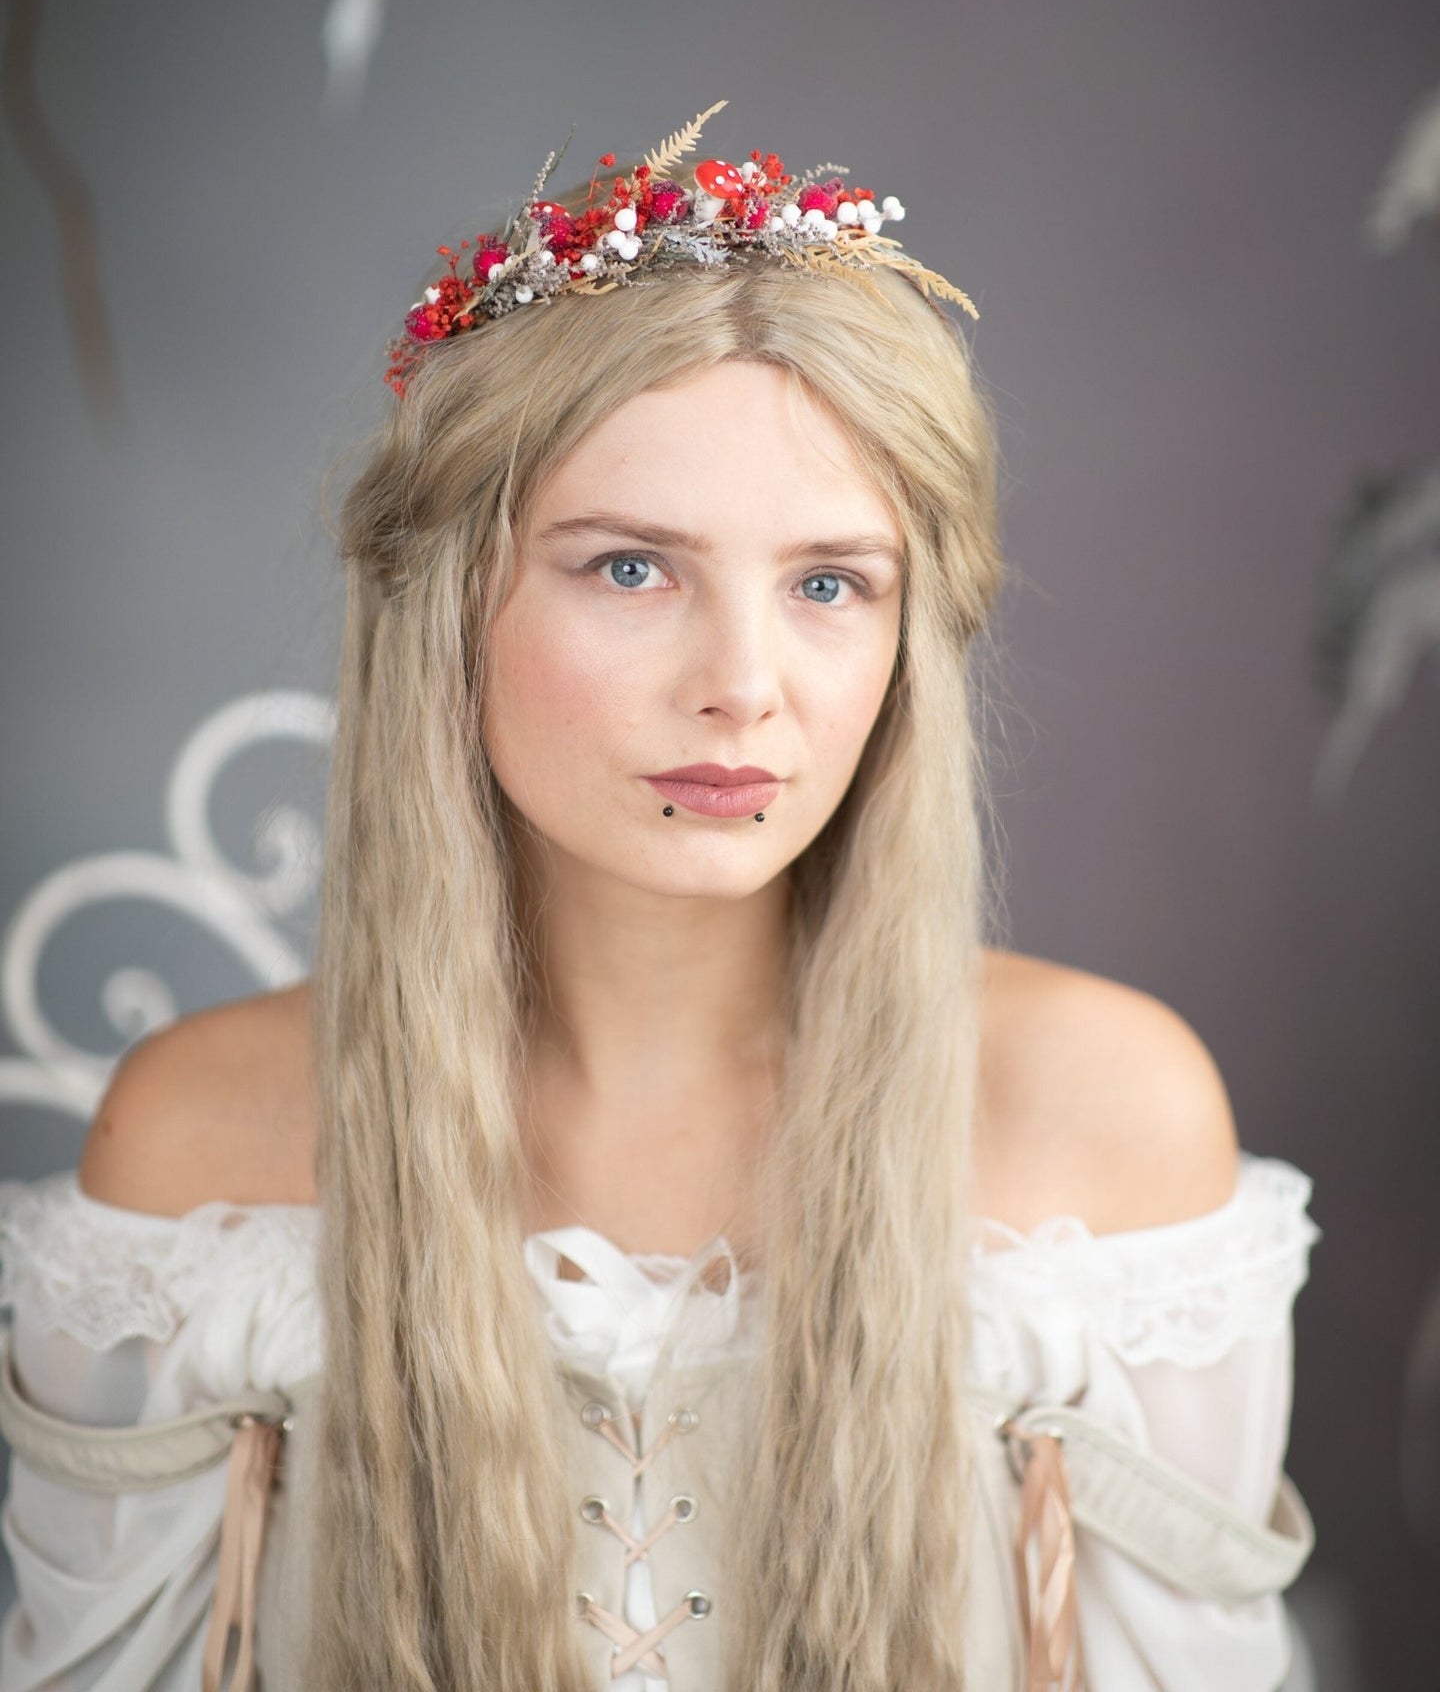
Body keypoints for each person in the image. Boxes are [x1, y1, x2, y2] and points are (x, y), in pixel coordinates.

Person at [0, 106, 1319, 1690]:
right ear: (448, 605)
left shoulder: (1102, 1126)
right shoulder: (200, 1149)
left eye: (829, 583)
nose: (743, 686)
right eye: (631, 567)